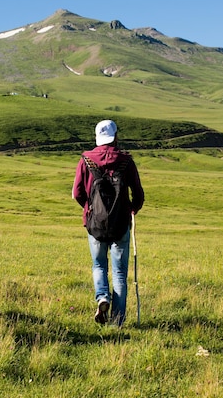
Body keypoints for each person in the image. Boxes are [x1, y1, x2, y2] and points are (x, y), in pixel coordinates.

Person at [72, 119, 144, 327]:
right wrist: (132, 209)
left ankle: (102, 296)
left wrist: (88, 209)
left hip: (95, 223)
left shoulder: (86, 160)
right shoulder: (126, 161)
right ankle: (117, 321)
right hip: (121, 222)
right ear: (116, 137)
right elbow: (138, 193)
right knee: (120, 272)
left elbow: (77, 192)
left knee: (99, 265)